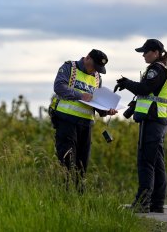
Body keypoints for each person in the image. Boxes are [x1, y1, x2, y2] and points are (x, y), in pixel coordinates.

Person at [114, 39, 167, 213]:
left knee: (146, 162)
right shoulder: (160, 69)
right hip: (157, 120)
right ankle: (157, 203)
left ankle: (142, 203)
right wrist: (133, 107)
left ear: (155, 52)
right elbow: (149, 95)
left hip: (153, 122)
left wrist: (126, 83)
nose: (143, 55)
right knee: (157, 163)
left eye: (145, 52)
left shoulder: (156, 69)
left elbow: (145, 89)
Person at [49, 49, 117, 192]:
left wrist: (107, 110)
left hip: (86, 125)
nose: (95, 71)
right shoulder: (69, 67)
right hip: (66, 120)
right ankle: (65, 195)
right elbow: (59, 87)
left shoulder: (97, 77)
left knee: (82, 164)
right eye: (94, 66)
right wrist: (80, 95)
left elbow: (96, 103)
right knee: (67, 162)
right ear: (87, 58)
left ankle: (80, 197)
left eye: (98, 69)